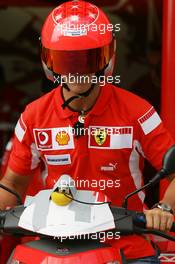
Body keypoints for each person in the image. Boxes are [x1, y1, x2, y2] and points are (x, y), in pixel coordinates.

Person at [0, 1, 175, 263]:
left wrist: (164, 209)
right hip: (52, 247)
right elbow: (13, 184)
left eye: (87, 60)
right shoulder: (33, 116)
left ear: (107, 58)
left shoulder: (140, 112)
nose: (76, 72)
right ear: (48, 61)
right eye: (66, 60)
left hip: (126, 248)